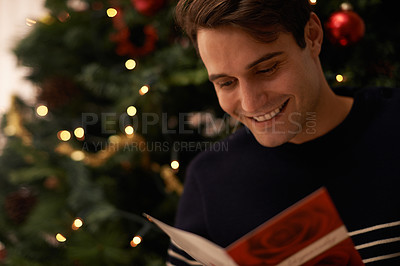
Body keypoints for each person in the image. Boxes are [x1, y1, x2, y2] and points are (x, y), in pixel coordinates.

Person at [168, 0, 400, 265]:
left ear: (312, 35)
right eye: (226, 83)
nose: (250, 104)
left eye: (267, 69)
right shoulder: (208, 181)